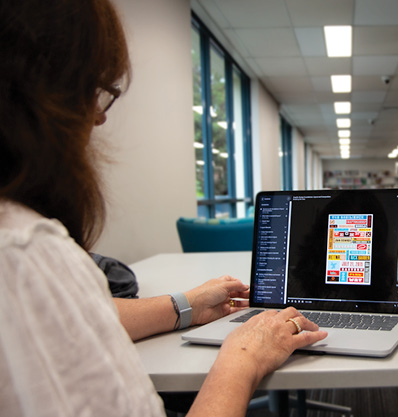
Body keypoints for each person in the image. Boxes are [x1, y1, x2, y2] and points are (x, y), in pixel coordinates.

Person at [0, 1, 328, 417]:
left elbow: (67, 320)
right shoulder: (24, 256)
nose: (98, 120)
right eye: (96, 92)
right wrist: (244, 356)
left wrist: (183, 305)